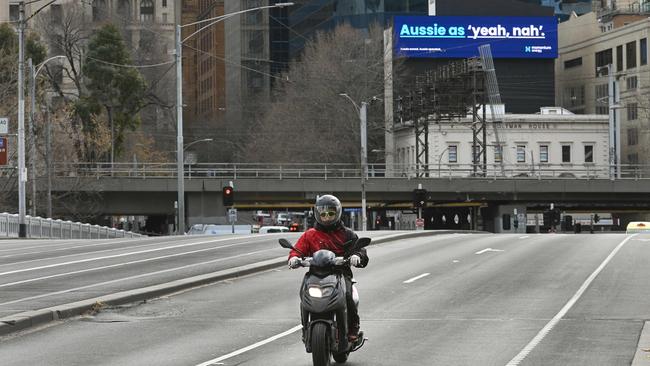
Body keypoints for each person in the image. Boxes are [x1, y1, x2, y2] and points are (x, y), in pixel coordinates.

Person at [288, 194, 369, 342]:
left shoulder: (347, 234)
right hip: (315, 274)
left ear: (337, 213)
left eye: (331, 213)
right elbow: (298, 250)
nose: (327, 217)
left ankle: (353, 327)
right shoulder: (309, 235)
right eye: (323, 214)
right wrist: (294, 258)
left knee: (349, 296)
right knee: (304, 297)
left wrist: (357, 256)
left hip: (341, 273)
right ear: (317, 214)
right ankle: (305, 328)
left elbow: (360, 250)